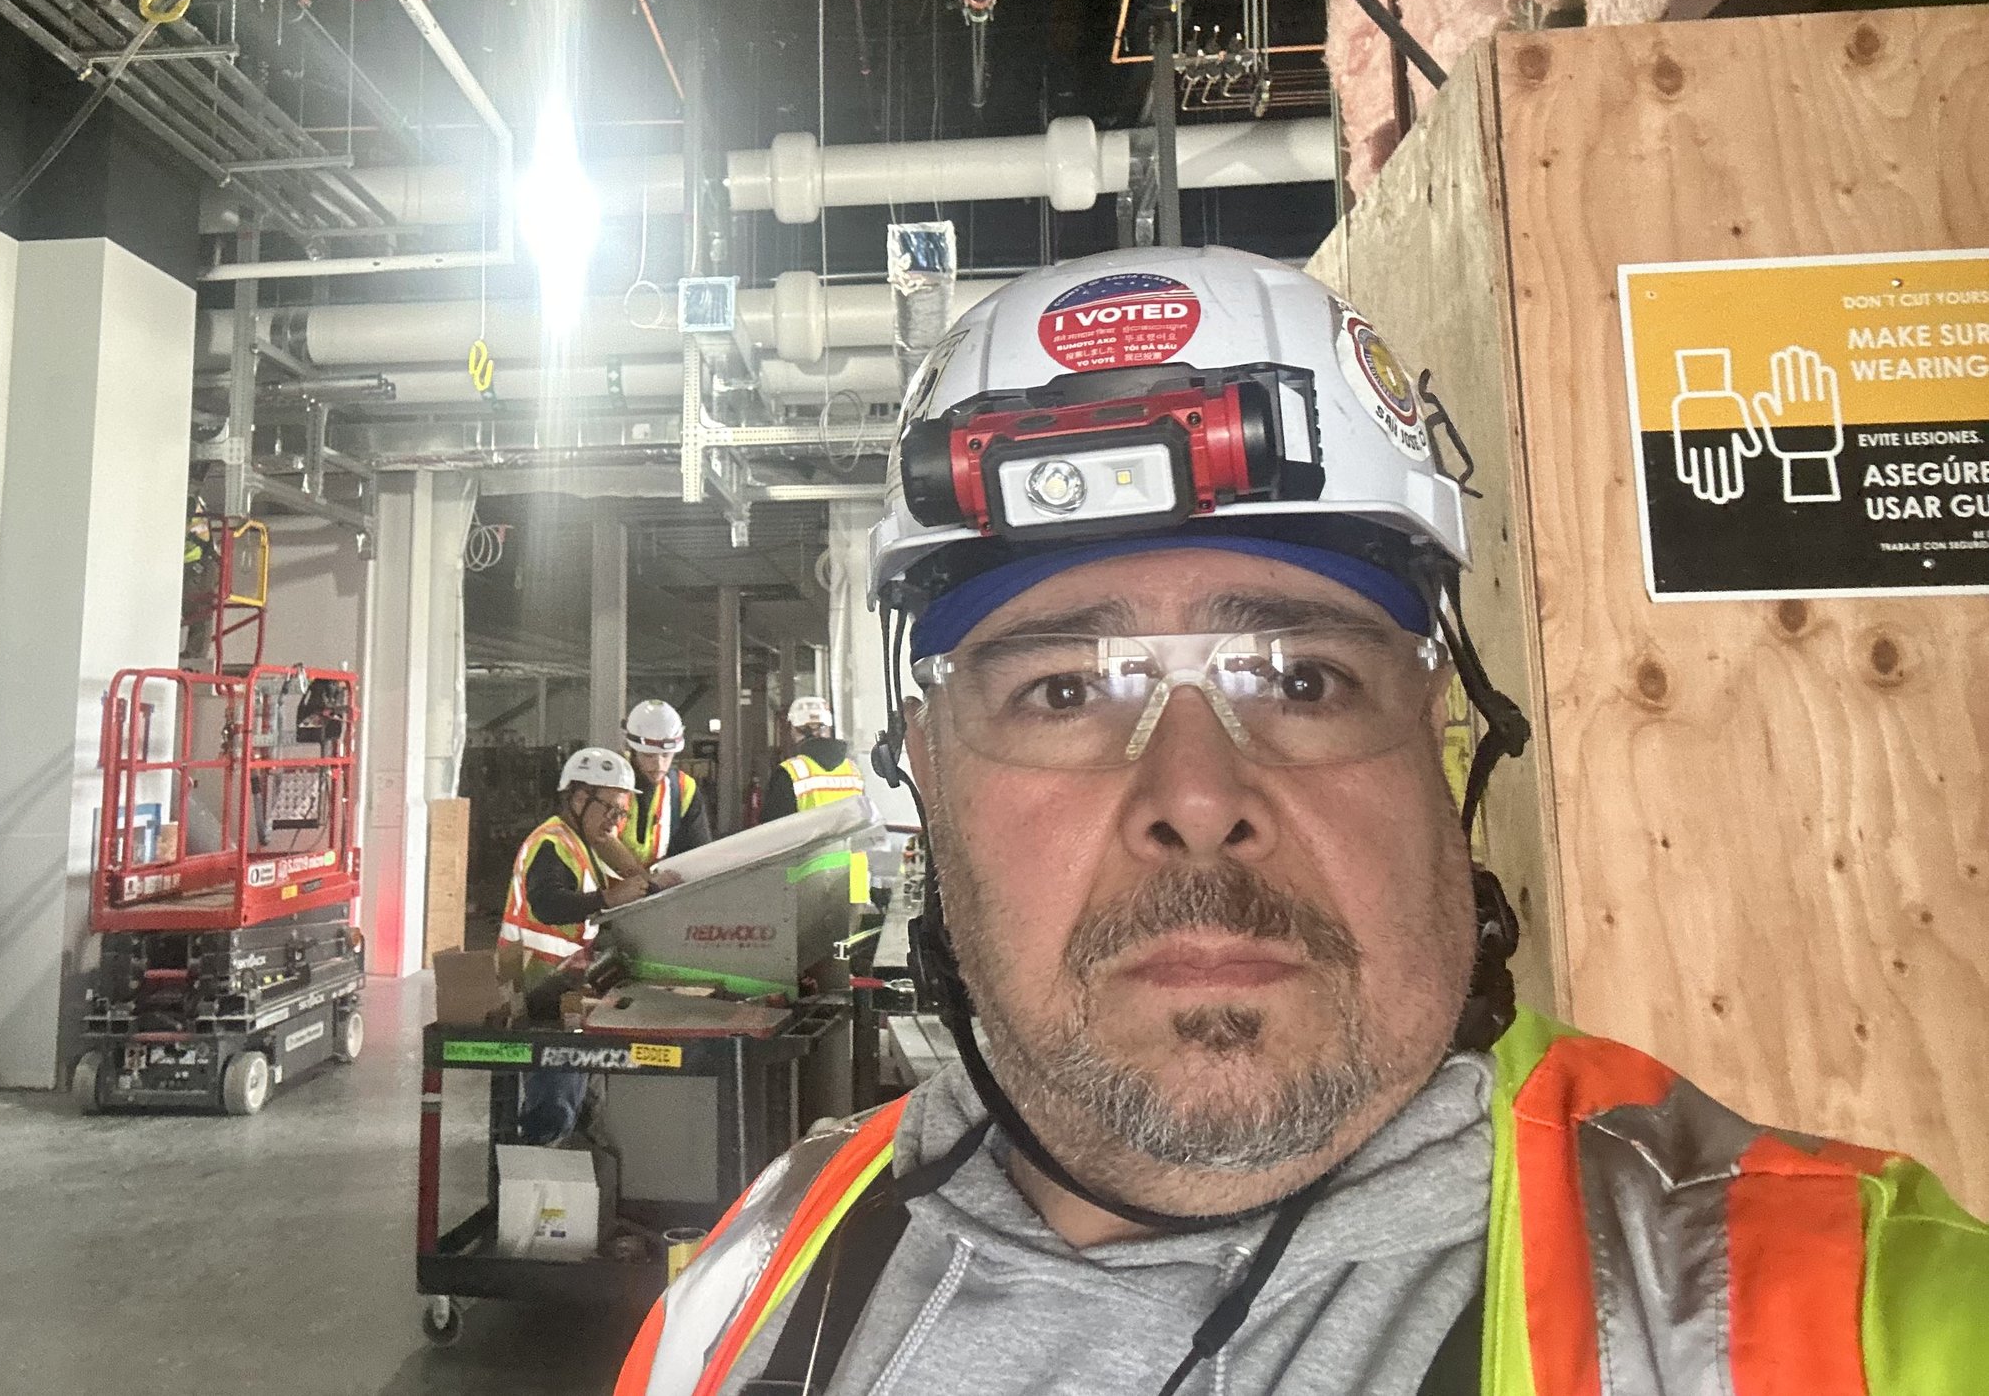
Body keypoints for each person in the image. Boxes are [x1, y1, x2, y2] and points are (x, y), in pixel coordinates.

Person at [617, 246, 1986, 1396]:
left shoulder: (1833, 1318)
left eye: (1301, 678)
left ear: (1444, 731)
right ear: (926, 766)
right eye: (1065, 690)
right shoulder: (744, 1291)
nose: (1197, 798)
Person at [499, 747, 652, 1143]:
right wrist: (609, 899)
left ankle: (559, 1156)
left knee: (572, 1094)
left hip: (560, 984)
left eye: (622, 812)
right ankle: (539, 1163)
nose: (615, 820)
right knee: (554, 1102)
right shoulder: (552, 843)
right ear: (580, 798)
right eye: (611, 809)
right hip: (536, 986)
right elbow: (548, 903)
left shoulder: (581, 842)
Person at [621, 698, 715, 867]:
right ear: (632, 751)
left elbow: (699, 857)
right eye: (648, 755)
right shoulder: (610, 786)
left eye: (666, 755)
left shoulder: (684, 790)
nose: (658, 765)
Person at [761, 693, 865, 823]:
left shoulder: (790, 773)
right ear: (828, 729)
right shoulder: (853, 770)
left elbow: (772, 827)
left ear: (793, 729)